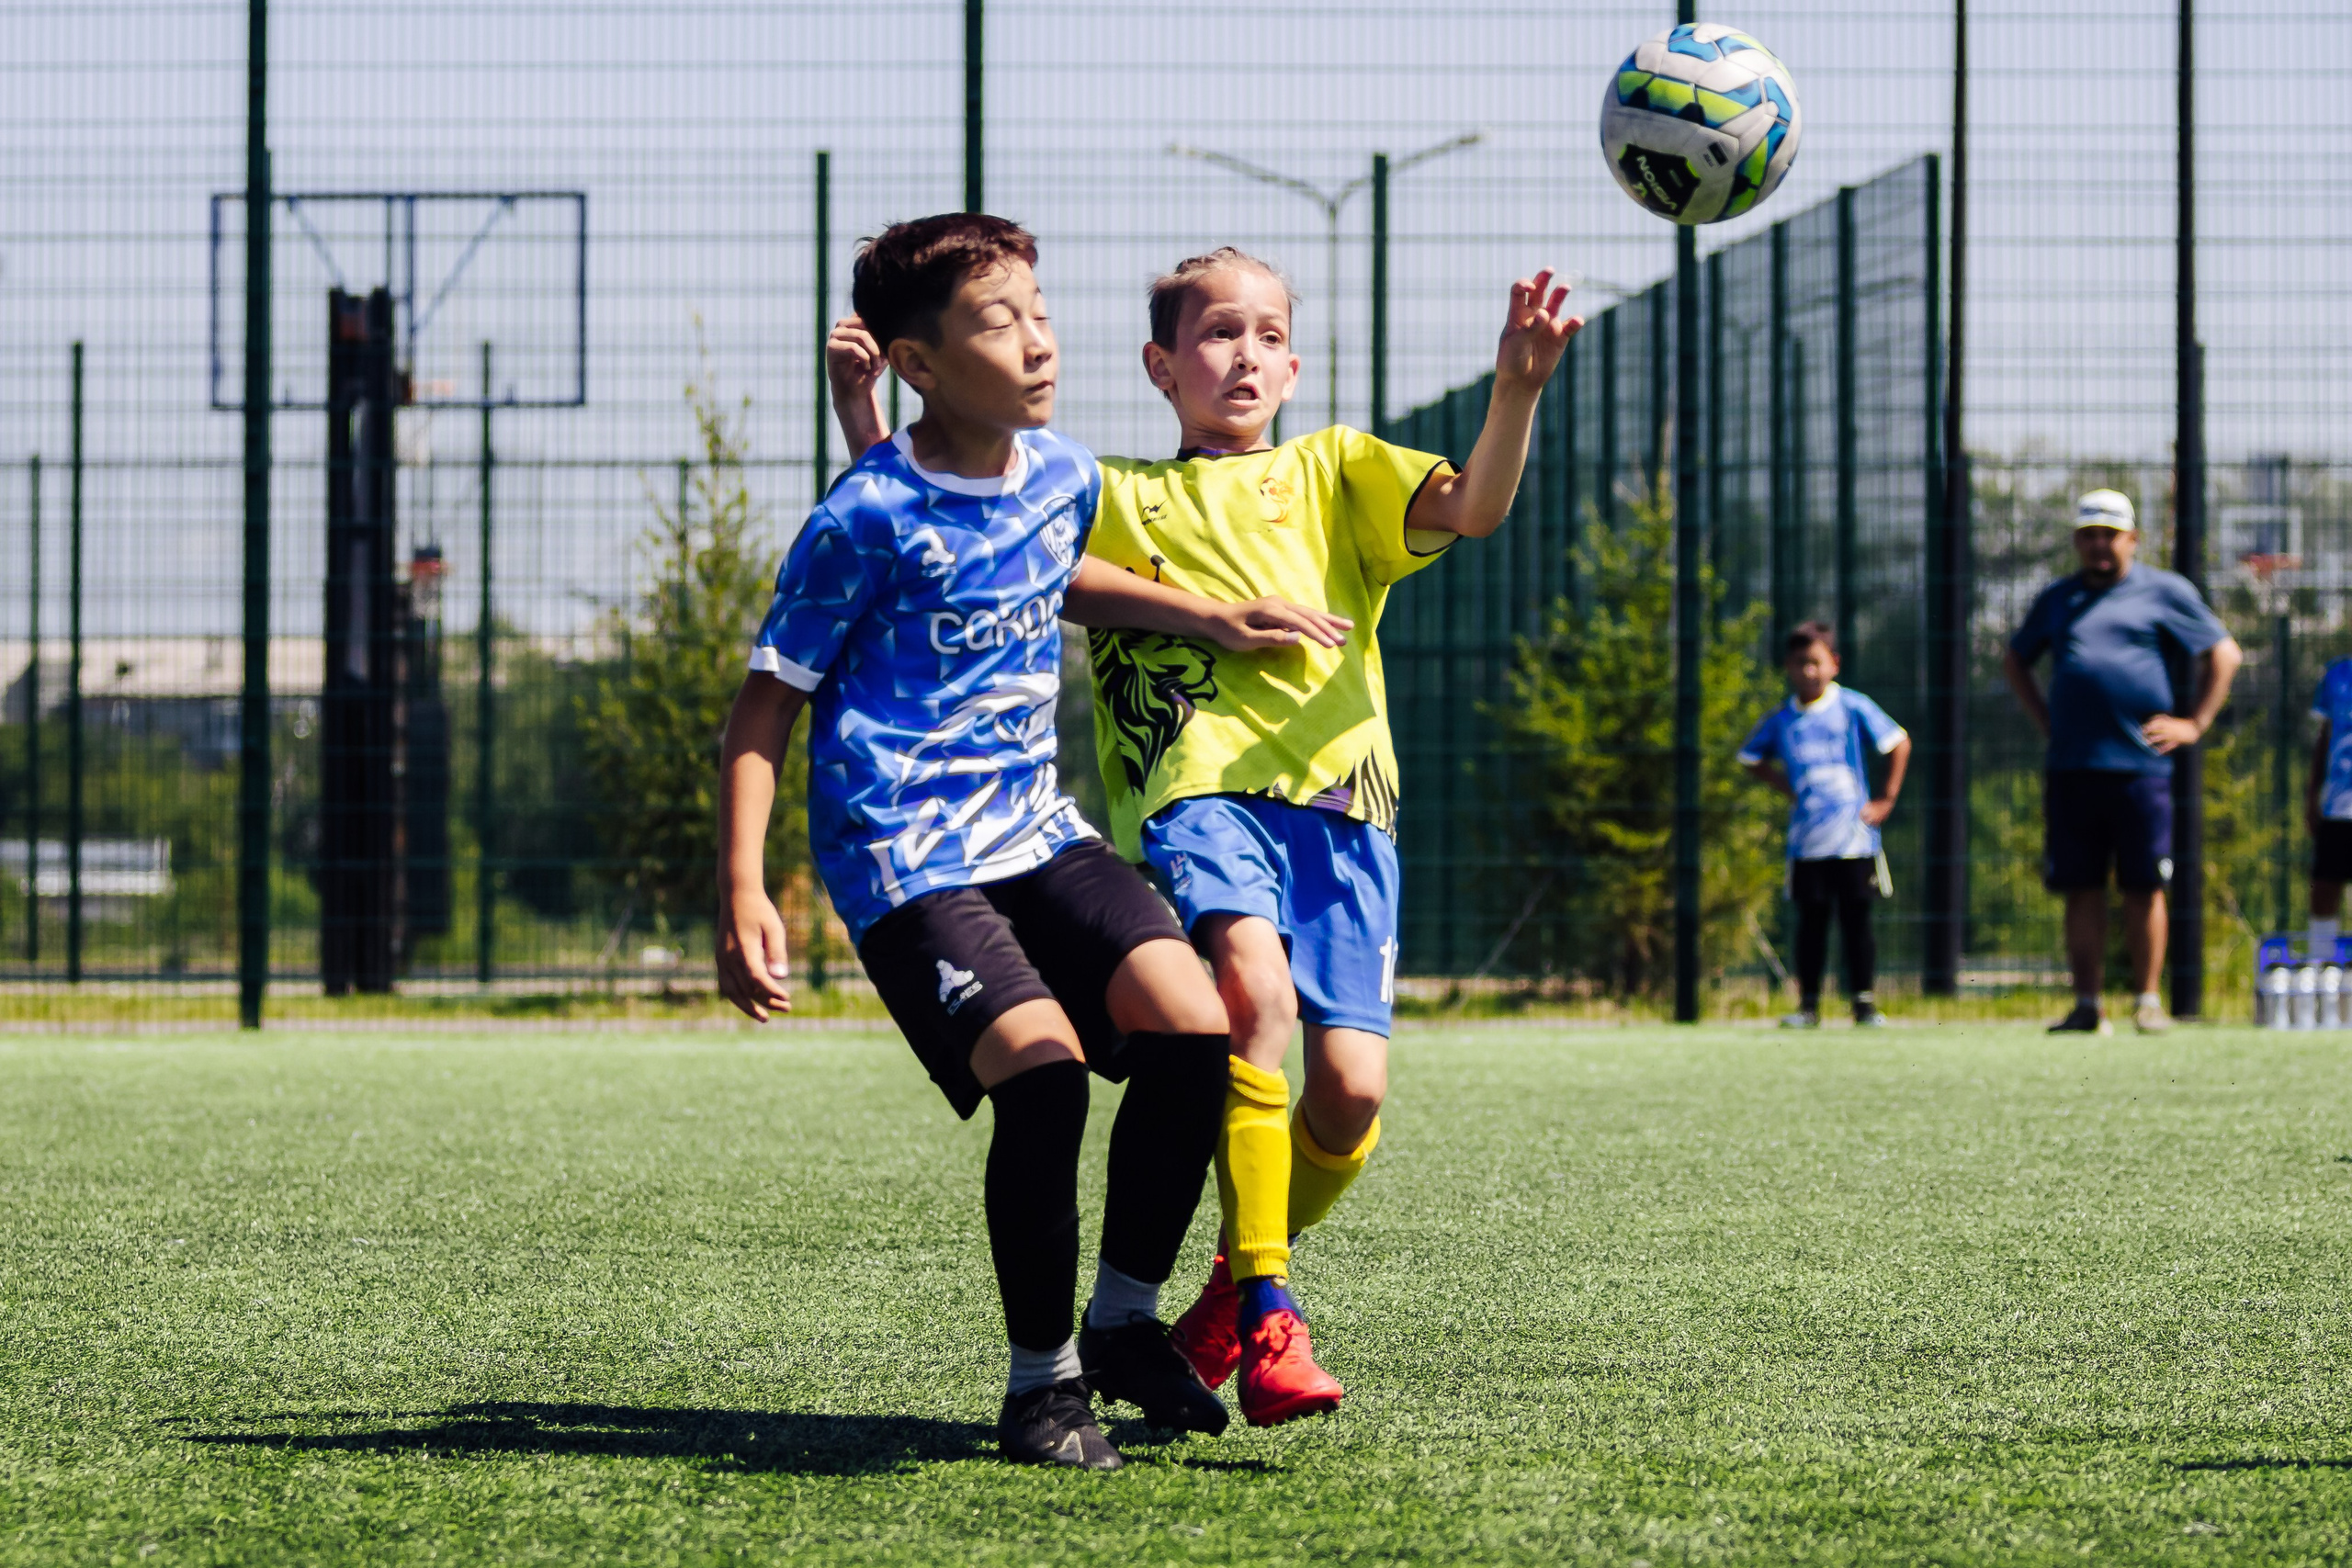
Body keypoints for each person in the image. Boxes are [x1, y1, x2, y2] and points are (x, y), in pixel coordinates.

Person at [826, 247, 1577, 1426]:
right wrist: (866, 417)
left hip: (1347, 815)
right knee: (1251, 999)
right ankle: (1276, 1308)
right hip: (1198, 801)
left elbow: (1475, 506)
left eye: (1266, 334)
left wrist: (1516, 389)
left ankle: (1233, 1283)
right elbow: (950, 537)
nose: (1244, 353)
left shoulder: (1336, 468)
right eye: (1216, 334)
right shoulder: (1114, 490)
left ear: (1291, 364)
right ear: (1160, 367)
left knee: (1350, 1095)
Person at [716, 214, 1351, 1470]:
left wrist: (1215, 616)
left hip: (1034, 827)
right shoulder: (863, 516)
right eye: (998, 321)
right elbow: (763, 707)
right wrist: (742, 885)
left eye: (1040, 309)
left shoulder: (1061, 473)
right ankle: (1039, 1384)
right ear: (920, 361)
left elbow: (1058, 573)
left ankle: (1123, 1322)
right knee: (1044, 1069)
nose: (1037, 339)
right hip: (907, 852)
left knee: (1195, 1019)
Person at [2002, 488, 2242, 1035]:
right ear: (2076, 542)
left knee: (2144, 885)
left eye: (2109, 535)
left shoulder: (2165, 591)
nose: (2099, 546)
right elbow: (2016, 659)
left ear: (2132, 539)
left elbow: (2225, 653)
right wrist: (2047, 721)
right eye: (2088, 535)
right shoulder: (2057, 598)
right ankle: (2087, 1005)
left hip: (2141, 771)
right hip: (2073, 769)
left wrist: (2194, 724)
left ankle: (2148, 1001)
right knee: (2080, 887)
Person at [1737, 621, 1911, 1029]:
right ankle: (1809, 1006)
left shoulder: (1852, 706)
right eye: (1800, 664)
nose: (1808, 672)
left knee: (1856, 920)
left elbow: (1898, 741)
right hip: (1807, 841)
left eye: (1815, 662)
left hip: (1854, 839)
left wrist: (1886, 798)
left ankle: (1864, 1004)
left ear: (1834, 663)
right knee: (1811, 922)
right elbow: (1750, 758)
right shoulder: (1782, 718)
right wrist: (1786, 787)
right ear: (1788, 667)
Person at [2301, 655, 2352, 959]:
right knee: (2323, 889)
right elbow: (2324, 739)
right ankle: (2321, 969)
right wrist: (2312, 796)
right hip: (2338, 807)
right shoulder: (2337, 674)